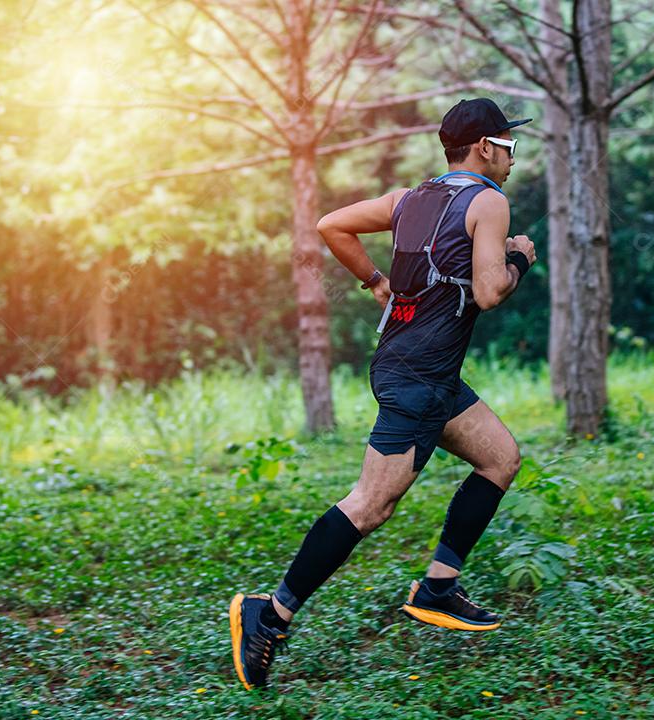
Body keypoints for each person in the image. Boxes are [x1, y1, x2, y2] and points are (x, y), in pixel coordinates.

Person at [228, 97, 538, 690]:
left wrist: (374, 281)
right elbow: (492, 290)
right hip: (419, 378)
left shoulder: (409, 200)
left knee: (500, 458)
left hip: (419, 369)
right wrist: (520, 256)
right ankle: (269, 614)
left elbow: (331, 225)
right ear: (483, 149)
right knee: (371, 504)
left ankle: (439, 587)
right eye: (508, 146)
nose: (512, 160)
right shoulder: (490, 202)